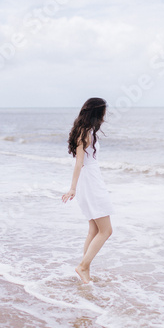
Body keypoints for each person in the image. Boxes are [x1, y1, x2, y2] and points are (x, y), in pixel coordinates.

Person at [62, 97, 114, 283]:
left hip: (89, 180)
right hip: (90, 182)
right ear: (98, 113)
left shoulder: (85, 130)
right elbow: (79, 163)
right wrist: (72, 188)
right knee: (106, 230)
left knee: (94, 229)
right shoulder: (86, 133)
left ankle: (85, 271)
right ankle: (82, 266)